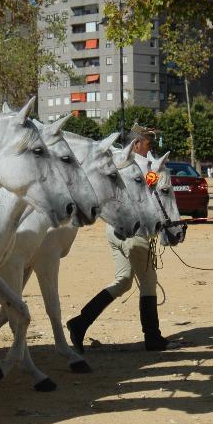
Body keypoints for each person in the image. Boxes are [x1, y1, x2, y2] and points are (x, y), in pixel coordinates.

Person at [67, 124, 174, 352]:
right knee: (148, 283)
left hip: (113, 231)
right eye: (147, 142)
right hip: (134, 232)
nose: (150, 146)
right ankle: (152, 337)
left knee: (123, 280)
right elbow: (153, 194)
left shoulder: (116, 160)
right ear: (136, 143)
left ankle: (80, 323)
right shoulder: (145, 167)